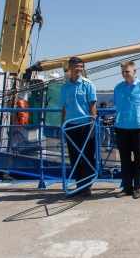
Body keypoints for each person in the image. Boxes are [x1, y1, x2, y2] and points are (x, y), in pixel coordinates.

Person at [113, 61, 140, 199]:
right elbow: (117, 106)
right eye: (123, 72)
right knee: (124, 159)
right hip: (121, 128)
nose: (125, 74)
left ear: (134, 72)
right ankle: (127, 187)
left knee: (139, 160)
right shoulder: (118, 88)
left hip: (138, 128)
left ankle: (138, 187)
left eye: (127, 71)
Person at [60, 57, 97, 197]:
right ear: (70, 67)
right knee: (74, 157)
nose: (79, 68)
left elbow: (92, 106)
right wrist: (62, 125)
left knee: (87, 156)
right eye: (76, 66)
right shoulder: (64, 87)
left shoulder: (88, 85)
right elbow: (64, 108)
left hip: (86, 125)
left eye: (81, 66)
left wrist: (93, 124)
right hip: (70, 126)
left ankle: (87, 186)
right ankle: (79, 184)